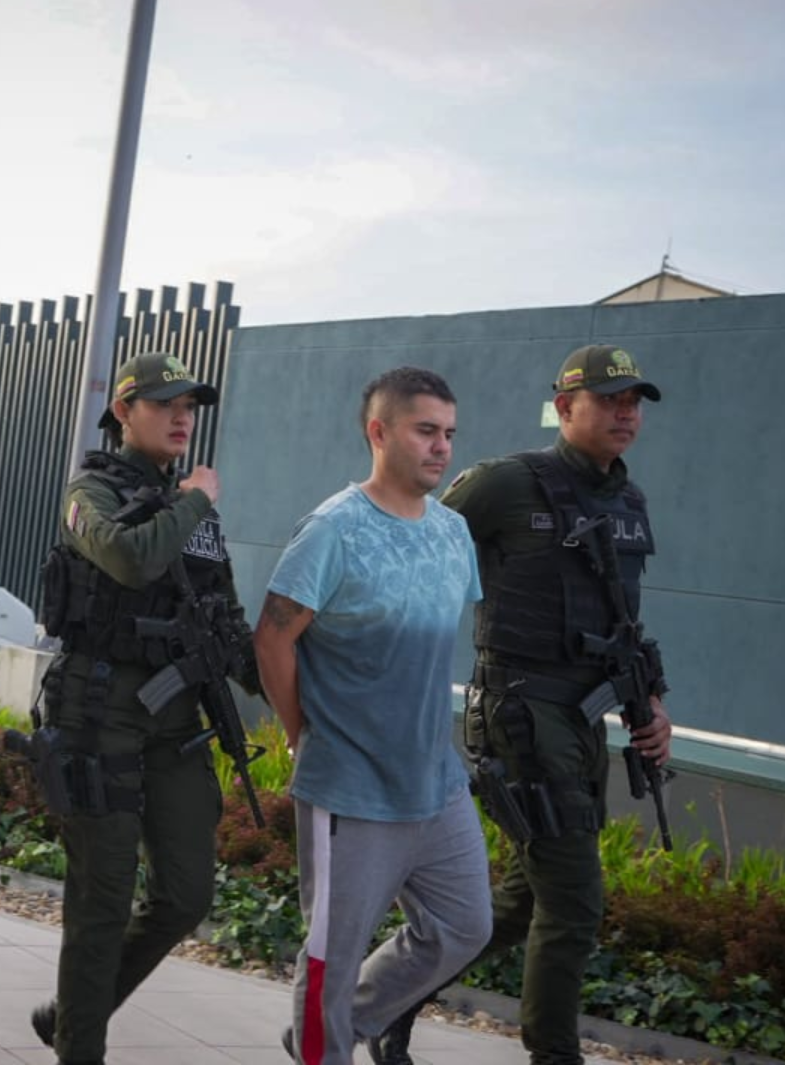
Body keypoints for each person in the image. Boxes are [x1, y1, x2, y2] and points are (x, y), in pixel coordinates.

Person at [378, 345, 675, 1065]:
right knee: (573, 905)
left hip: (585, 716)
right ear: (565, 406)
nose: (625, 412)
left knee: (518, 902)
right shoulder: (505, 484)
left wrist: (652, 702)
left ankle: (379, 1002)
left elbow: (622, 619)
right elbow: (408, 548)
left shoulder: (626, 500)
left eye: (633, 400)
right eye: (609, 399)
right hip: (519, 712)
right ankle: (553, 1055)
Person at [251, 367, 493, 1065]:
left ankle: (331, 1031)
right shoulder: (334, 529)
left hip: (435, 781)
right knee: (331, 954)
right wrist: (302, 734)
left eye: (449, 434)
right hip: (351, 785)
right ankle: (324, 1047)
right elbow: (272, 636)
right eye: (426, 431)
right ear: (379, 432)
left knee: (463, 926)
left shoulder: (453, 533)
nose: (442, 448)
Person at [26, 353, 259, 1065]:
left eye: (190, 405)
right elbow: (129, 559)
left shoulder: (193, 508)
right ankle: (80, 1048)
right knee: (100, 900)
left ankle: (73, 1012)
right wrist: (193, 499)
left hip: (175, 719)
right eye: (165, 404)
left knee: (186, 894)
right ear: (125, 411)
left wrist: (291, 695)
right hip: (100, 711)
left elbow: (224, 614)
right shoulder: (90, 491)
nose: (182, 416)